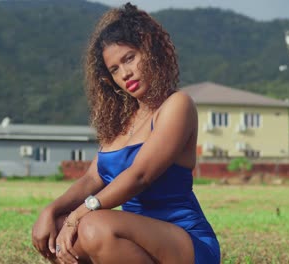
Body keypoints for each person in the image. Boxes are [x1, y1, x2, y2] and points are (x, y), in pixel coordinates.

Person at [31, 3, 220, 264]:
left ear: (151, 50)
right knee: (57, 234)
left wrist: (79, 214)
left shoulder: (177, 105)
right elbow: (91, 179)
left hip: (184, 241)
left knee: (92, 226)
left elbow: (140, 175)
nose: (125, 73)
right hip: (134, 238)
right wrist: (51, 211)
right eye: (115, 69)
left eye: (129, 58)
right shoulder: (120, 123)